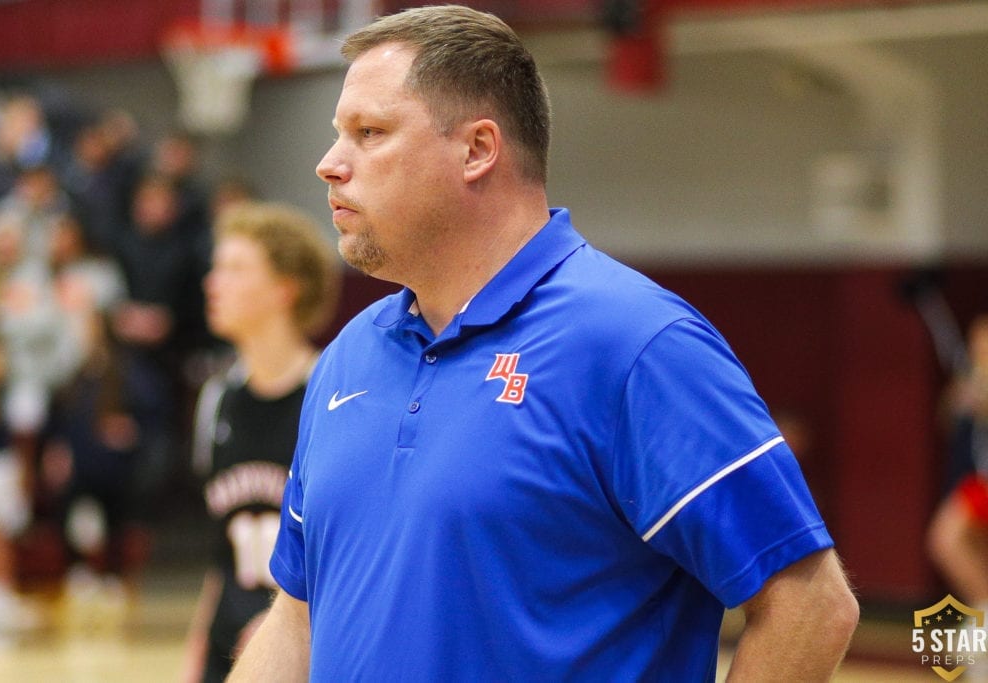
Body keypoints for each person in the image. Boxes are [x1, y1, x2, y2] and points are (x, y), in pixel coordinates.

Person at [230, 6, 858, 681]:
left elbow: (811, 606)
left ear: (477, 149)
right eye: (338, 134)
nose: (329, 165)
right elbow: (296, 616)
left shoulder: (636, 345)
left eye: (369, 132)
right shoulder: (349, 356)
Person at [180, 202, 339, 683]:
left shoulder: (333, 395)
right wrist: (194, 660)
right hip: (227, 657)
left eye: (234, 268)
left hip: (302, 653)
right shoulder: (216, 400)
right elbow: (219, 559)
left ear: (284, 288)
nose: (213, 282)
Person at [926, 314, 988, 616]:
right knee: (957, 544)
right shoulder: (971, 377)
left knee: (946, 537)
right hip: (978, 479)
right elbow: (947, 421)